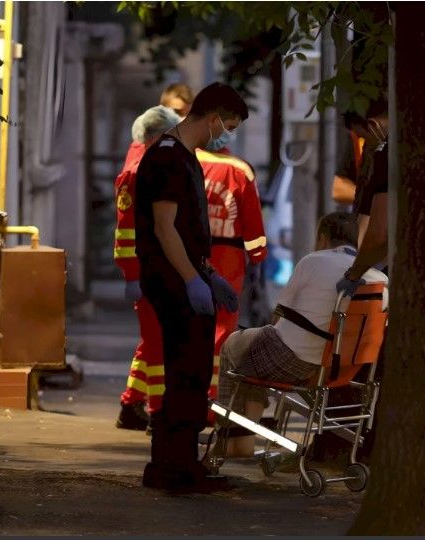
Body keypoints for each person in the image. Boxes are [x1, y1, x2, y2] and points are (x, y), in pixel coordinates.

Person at [134, 82, 248, 493]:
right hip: (174, 281)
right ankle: (175, 469)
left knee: (192, 374)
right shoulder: (168, 157)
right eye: (228, 126)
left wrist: (207, 274)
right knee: (187, 374)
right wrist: (191, 279)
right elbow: (165, 228)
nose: (227, 135)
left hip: (185, 277)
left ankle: (174, 465)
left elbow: (185, 228)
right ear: (213, 117)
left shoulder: (183, 155)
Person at [216, 212, 388, 456]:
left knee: (234, 346)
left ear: (323, 238)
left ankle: (228, 440)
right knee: (252, 360)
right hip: (339, 369)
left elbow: (278, 316)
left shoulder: (312, 262)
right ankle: (242, 441)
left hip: (290, 359)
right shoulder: (380, 279)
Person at [114, 105, 182, 430]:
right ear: (157, 137)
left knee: (154, 338)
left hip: (159, 269)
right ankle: (158, 412)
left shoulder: (154, 167)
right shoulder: (137, 172)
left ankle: (131, 404)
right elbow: (125, 231)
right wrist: (132, 275)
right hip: (148, 271)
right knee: (158, 343)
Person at [197, 146, 268, 403]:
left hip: (187, 254)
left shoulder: (183, 159)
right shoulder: (238, 169)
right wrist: (257, 258)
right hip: (228, 259)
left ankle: (182, 398)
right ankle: (212, 399)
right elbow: (253, 225)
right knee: (221, 329)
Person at [335, 109, 390, 297]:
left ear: (373, 125)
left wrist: (354, 275)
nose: (365, 143)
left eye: (363, 137)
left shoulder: (386, 156)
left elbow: (379, 235)